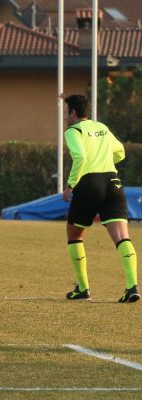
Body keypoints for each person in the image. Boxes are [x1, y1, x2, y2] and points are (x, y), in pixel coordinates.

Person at [62, 94, 139, 303]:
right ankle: (132, 287)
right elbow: (120, 152)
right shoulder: (102, 128)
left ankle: (83, 289)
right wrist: (106, 161)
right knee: (122, 236)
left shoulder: (73, 131)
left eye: (65, 111)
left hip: (89, 183)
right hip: (113, 182)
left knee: (74, 234)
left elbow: (80, 157)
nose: (65, 116)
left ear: (73, 113)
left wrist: (70, 185)